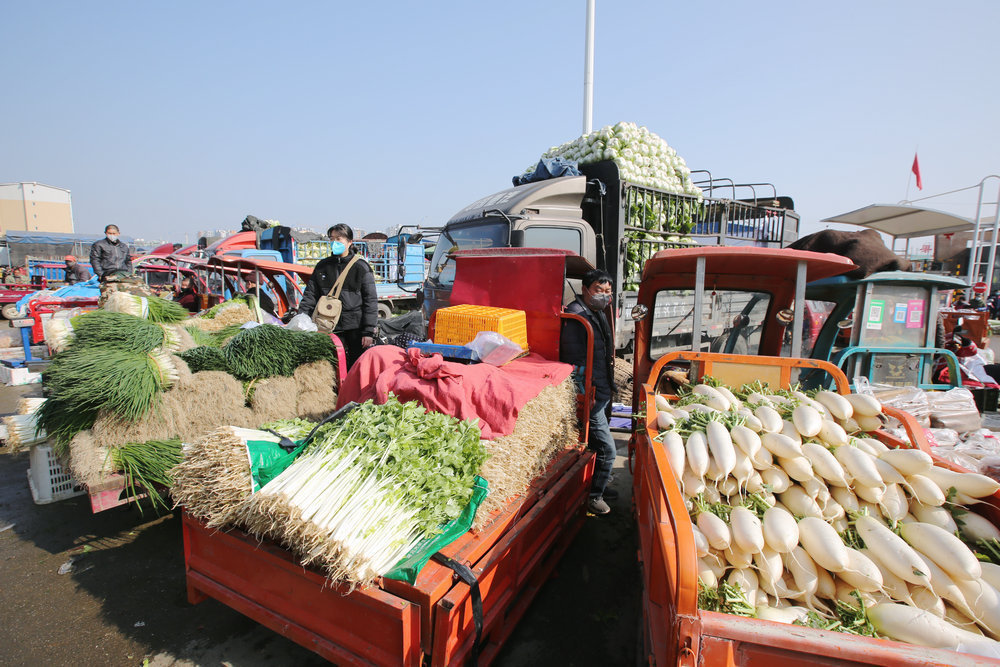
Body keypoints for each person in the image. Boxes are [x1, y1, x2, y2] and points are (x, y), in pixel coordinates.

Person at [559, 269, 617, 515]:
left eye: (607, 292)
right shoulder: (576, 315)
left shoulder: (597, 312)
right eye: (598, 290)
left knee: (596, 444)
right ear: (585, 289)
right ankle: (594, 497)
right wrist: (584, 392)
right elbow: (574, 361)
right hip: (591, 391)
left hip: (602, 389)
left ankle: (598, 484)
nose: (603, 296)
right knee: (608, 449)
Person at [296, 224, 378, 368]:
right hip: (327, 325)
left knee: (355, 365)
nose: (335, 243)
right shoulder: (322, 266)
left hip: (355, 327)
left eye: (339, 239)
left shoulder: (361, 267)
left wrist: (368, 331)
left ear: (349, 242)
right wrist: (302, 319)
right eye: (332, 239)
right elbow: (310, 295)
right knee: (331, 365)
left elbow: (370, 301)